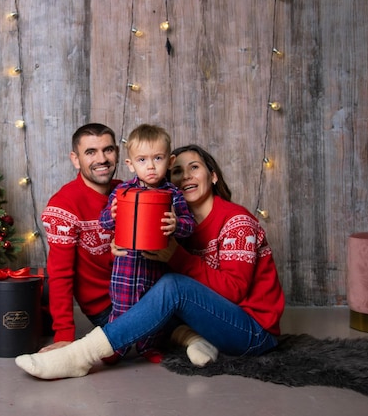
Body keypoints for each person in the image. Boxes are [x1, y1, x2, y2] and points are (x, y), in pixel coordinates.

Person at [16, 144, 286, 379]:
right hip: (210, 323)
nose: (186, 176)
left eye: (194, 168)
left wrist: (177, 257)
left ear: (213, 176)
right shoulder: (175, 223)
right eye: (177, 171)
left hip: (252, 332)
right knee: (151, 284)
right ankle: (191, 338)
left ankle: (82, 355)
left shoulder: (237, 222)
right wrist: (119, 243)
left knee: (173, 287)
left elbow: (234, 290)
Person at [98, 124, 195, 363]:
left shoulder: (173, 194)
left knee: (154, 311)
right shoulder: (122, 191)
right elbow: (104, 222)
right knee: (121, 309)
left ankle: (148, 346)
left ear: (170, 161)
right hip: (126, 268)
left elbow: (189, 225)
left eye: (158, 158)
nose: (150, 166)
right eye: (142, 160)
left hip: (157, 268)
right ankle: (115, 348)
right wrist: (111, 215)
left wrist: (176, 224)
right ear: (131, 164)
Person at [39, 123, 121, 352]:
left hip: (138, 294)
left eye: (108, 150)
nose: (102, 159)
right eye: (91, 152)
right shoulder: (63, 206)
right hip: (105, 307)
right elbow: (60, 275)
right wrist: (64, 336)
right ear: (76, 160)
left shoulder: (127, 192)